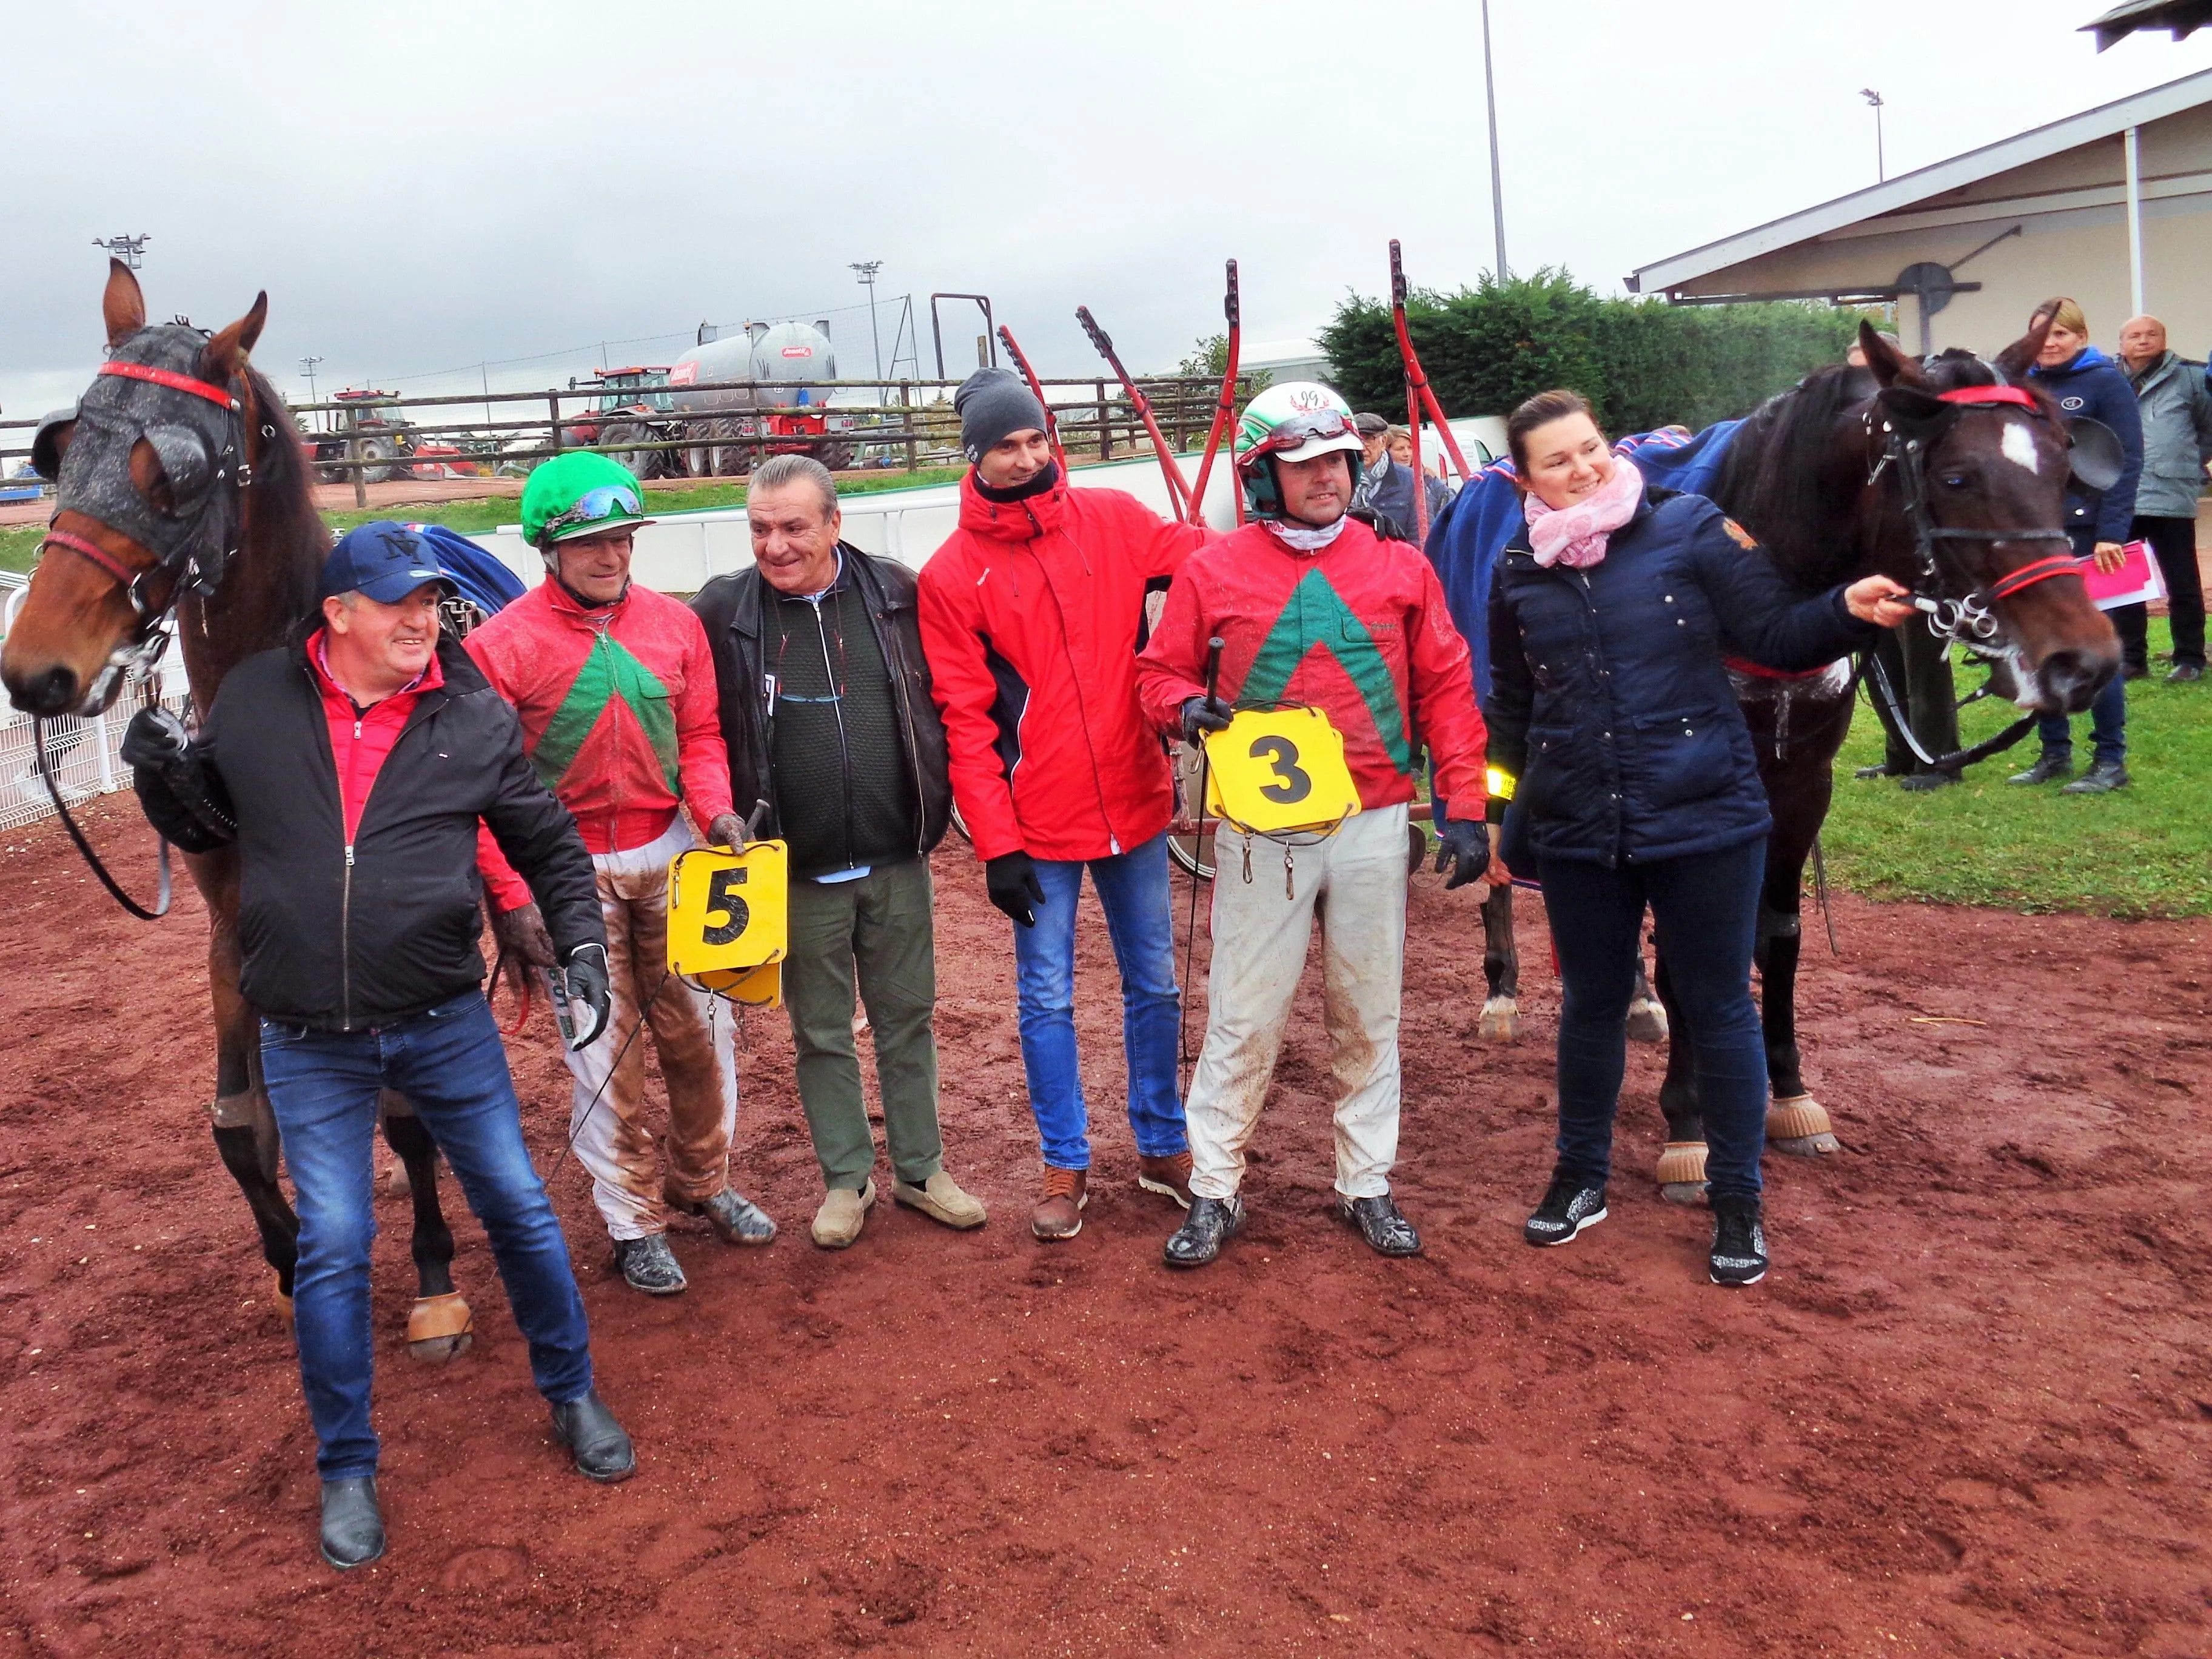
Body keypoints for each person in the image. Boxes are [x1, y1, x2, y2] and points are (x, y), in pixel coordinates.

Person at [119, 523, 634, 1570]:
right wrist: (160, 783)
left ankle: (572, 1392)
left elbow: (541, 837)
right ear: (339, 614)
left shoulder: (466, 709)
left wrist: (578, 937)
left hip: (446, 1022)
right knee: (337, 1248)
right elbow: (211, 820)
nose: (421, 620)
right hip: (308, 1040)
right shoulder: (258, 699)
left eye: (429, 601)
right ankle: (347, 1463)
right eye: (398, 602)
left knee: (522, 1211)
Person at [1486, 390, 1912, 1288]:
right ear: (1524, 479)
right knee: (1592, 1007)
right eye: (1557, 461)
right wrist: (1497, 810)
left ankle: (1737, 1197)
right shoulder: (1518, 565)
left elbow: (1775, 632)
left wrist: (1847, 608)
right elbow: (1515, 708)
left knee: (1718, 1008)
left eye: (1591, 448)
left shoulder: (1692, 526)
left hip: (1705, 812)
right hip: (1578, 825)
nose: (1584, 468)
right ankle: (1579, 1177)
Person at [1134, 382, 1493, 1269]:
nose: (1325, 478)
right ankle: (1215, 1189)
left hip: (1374, 821)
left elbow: (1448, 686)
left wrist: (1466, 806)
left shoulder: (1402, 566)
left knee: (1367, 1011)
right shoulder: (1211, 570)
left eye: (1335, 460)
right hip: (1263, 830)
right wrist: (1186, 711)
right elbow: (1156, 674)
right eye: (1303, 466)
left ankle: (1366, 1182)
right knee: (1245, 1015)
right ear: (1266, 478)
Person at [467, 452, 775, 1297]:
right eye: (595, 543)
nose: (615, 557)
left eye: (625, 539)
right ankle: (632, 1223)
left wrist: (714, 812)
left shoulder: (676, 627)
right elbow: (478, 788)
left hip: (675, 853)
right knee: (601, 1050)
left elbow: (702, 737)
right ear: (551, 547)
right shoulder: (500, 648)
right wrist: (512, 895)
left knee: (704, 1034)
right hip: (567, 873)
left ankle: (704, 1182)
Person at [916, 366, 1210, 1241]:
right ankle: (1064, 1161)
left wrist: (1274, 532)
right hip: (1037, 823)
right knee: (1045, 998)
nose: (1027, 455)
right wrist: (995, 846)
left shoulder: (1115, 520)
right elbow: (966, 724)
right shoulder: (952, 574)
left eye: (1036, 437)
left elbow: (1206, 564)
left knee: (1154, 982)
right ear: (977, 457)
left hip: (1135, 798)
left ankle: (1161, 1145)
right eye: (1006, 445)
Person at [691, 456, 986, 1248]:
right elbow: (699, 726)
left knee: (907, 1017)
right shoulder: (724, 610)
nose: (776, 545)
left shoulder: (897, 593)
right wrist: (719, 811)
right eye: (761, 528)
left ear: (833, 523)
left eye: (793, 526)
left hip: (896, 857)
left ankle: (923, 1171)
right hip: (795, 869)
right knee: (820, 1029)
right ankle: (846, 1179)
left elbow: (957, 691)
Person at [2011, 298, 2142, 793]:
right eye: (2041, 335)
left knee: (2091, 646)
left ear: (2081, 338)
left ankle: (2111, 758)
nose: (2050, 344)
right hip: (2036, 534)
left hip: (2091, 536)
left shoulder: (2105, 382)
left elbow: (2126, 459)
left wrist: (2113, 530)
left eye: (2061, 335)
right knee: (2037, 645)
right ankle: (2054, 752)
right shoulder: (2021, 384)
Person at [2116, 313, 2211, 683]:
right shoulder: (2109, 380)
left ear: (2164, 339)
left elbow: (2209, 428)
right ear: (2121, 343)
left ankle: (2189, 658)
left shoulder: (2191, 378)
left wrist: (2185, 460)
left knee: (2182, 581)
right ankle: (2131, 659)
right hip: (2121, 495)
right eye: (2135, 335)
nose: (2143, 341)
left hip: (2170, 493)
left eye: (2151, 334)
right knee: (2125, 585)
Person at [1349, 411, 1449, 541]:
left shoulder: (1410, 480)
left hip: (1398, 558)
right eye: (1357, 440)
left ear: (1383, 442)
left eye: (1368, 440)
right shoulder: (1342, 480)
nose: (1361, 447)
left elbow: (1421, 536)